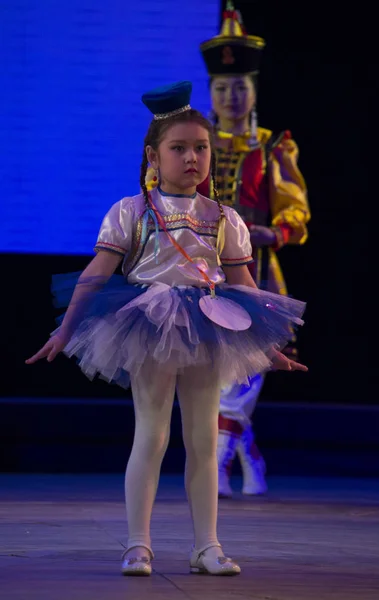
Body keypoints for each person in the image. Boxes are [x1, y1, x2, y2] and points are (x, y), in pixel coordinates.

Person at [26, 80, 308, 577]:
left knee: (202, 438)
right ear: (153, 156)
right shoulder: (131, 213)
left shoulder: (224, 219)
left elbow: (244, 286)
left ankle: (208, 547)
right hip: (150, 326)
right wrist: (65, 331)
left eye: (201, 148)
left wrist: (272, 346)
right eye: (179, 148)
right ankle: (138, 544)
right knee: (151, 437)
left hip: (207, 328)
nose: (193, 158)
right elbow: (95, 277)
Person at [196, 2, 311, 497]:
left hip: (255, 267)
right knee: (211, 368)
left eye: (240, 86)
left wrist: (273, 232)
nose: (232, 95)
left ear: (253, 91)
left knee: (251, 362)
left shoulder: (272, 147)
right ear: (212, 93)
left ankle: (220, 457)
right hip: (199, 268)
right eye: (223, 88)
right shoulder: (195, 143)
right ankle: (245, 448)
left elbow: (295, 210)